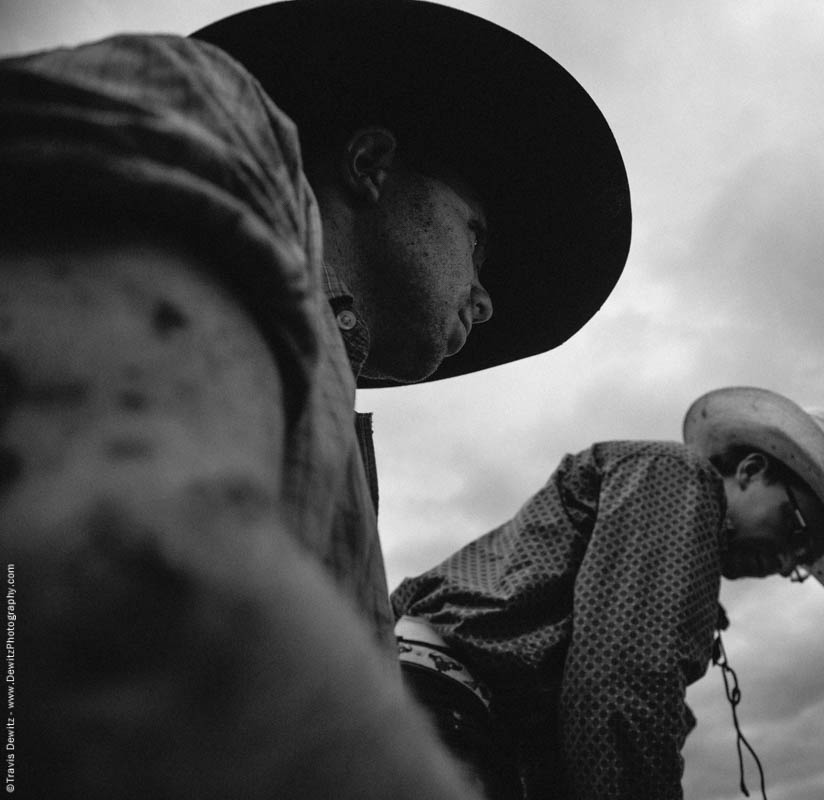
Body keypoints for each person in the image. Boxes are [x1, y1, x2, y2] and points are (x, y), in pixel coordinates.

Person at [0, 1, 630, 797]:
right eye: (476, 235)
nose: (486, 300)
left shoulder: (326, 425)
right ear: (370, 163)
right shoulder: (205, 109)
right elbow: (119, 582)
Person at [392, 386, 824, 800]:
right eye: (797, 529)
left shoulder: (675, 562)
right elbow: (625, 681)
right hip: (439, 708)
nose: (785, 561)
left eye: (801, 564)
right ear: (752, 470)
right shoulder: (680, 478)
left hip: (452, 719)